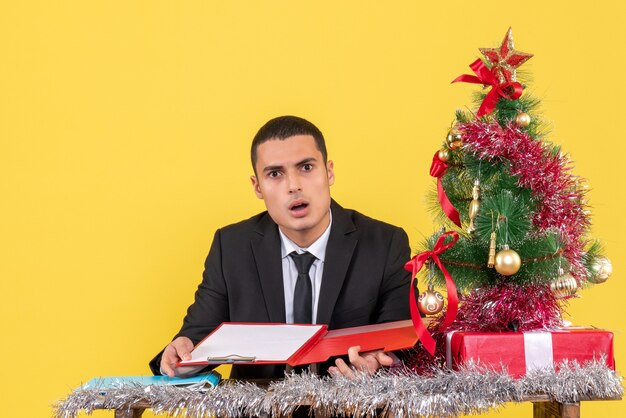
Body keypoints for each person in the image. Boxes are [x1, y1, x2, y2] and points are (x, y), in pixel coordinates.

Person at [149, 116, 412, 379]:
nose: (293, 186)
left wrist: (378, 364)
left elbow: (402, 343)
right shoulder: (231, 247)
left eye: (306, 167)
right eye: (275, 174)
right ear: (257, 187)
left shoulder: (385, 244)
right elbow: (194, 341)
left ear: (329, 172)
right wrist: (177, 355)